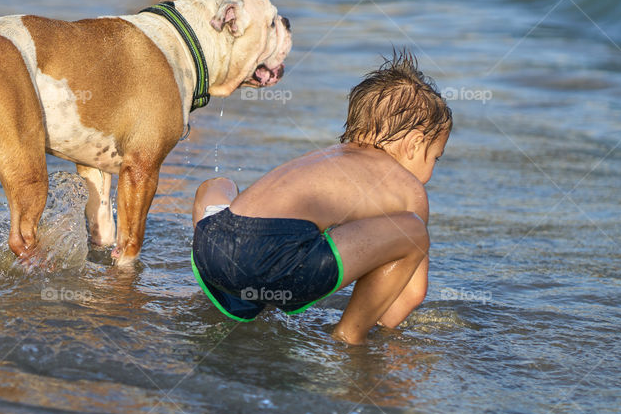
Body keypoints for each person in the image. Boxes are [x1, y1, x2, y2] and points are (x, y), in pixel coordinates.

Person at [189, 51, 452, 344]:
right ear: (415, 145)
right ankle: (349, 335)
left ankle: (243, 298)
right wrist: (383, 323)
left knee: (217, 185)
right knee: (412, 229)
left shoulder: (325, 159)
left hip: (211, 249)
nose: (430, 172)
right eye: (435, 158)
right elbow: (413, 293)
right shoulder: (409, 188)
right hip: (268, 257)